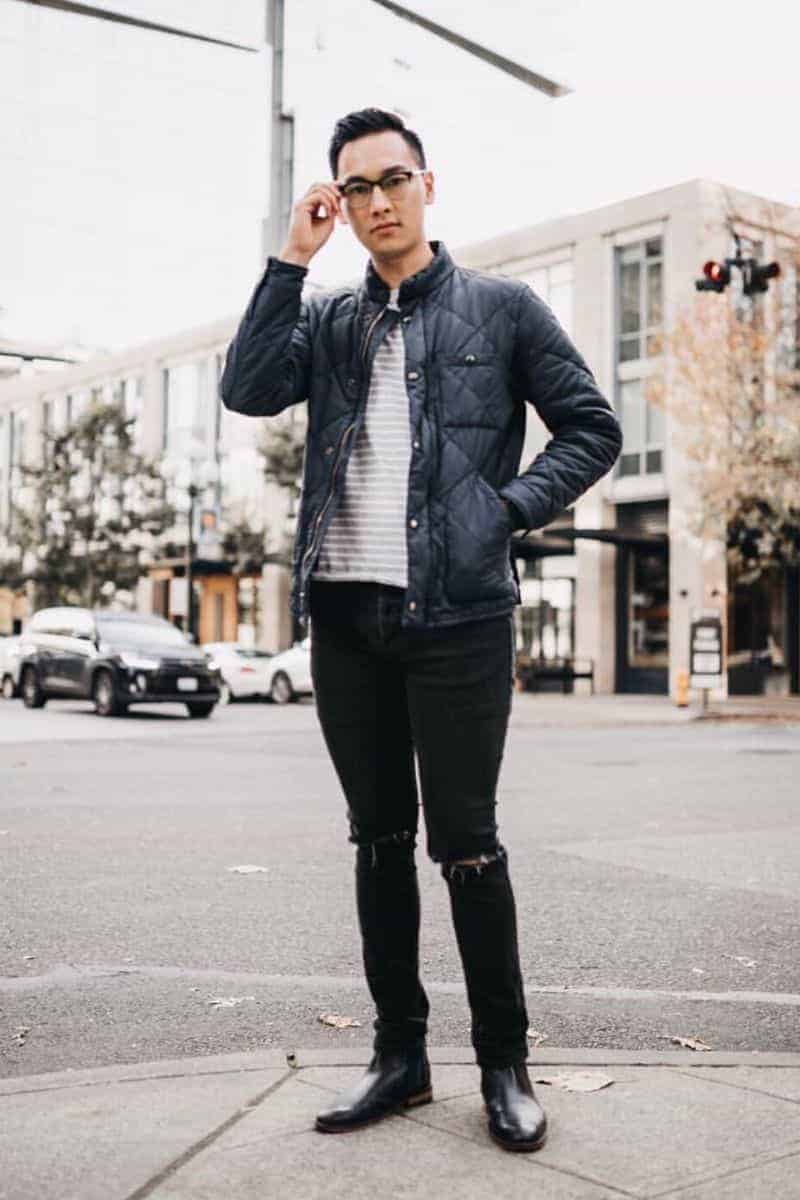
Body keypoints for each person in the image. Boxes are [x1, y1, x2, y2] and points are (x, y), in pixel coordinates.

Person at [220, 108, 622, 1152]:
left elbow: (591, 428)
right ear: (338, 203)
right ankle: (398, 1058)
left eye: (391, 180)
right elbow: (246, 387)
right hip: (347, 619)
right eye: (354, 190)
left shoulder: (501, 310)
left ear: (427, 185)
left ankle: (502, 1063)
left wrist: (508, 506)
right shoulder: (328, 320)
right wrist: (288, 257)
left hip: (459, 619)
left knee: (468, 848)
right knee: (376, 843)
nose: (376, 202)